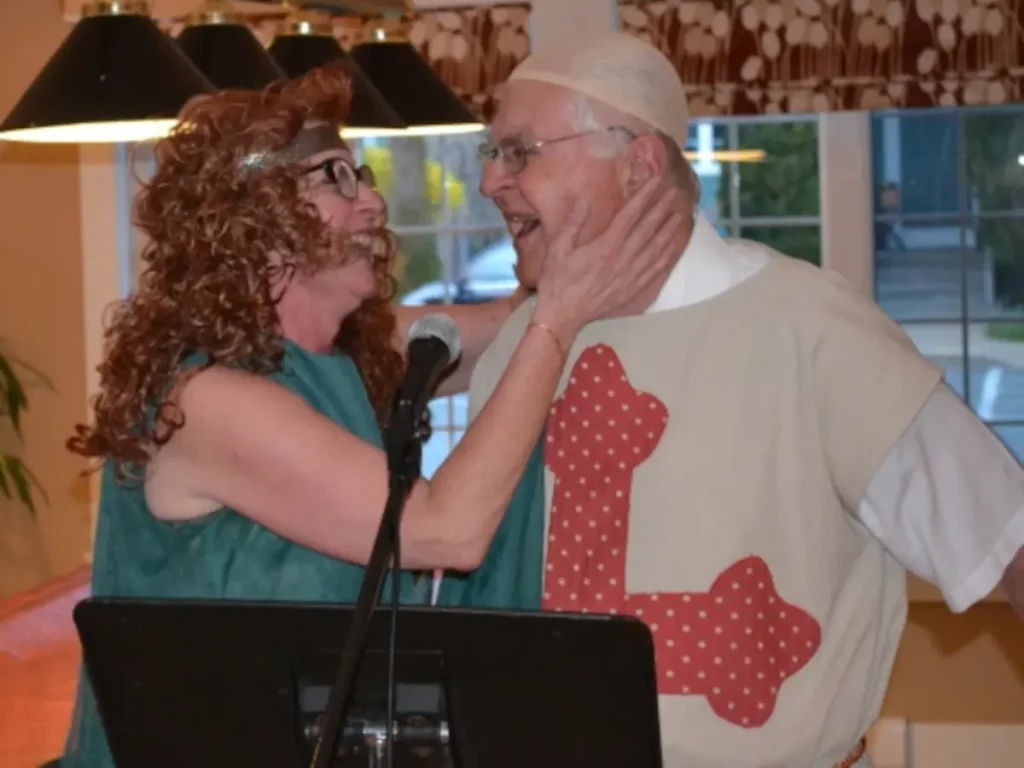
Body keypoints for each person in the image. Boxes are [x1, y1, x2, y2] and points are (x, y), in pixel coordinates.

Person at [58, 65, 681, 766]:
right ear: (252, 220)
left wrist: (583, 243)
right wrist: (558, 319)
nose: (374, 205)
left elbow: (516, 331)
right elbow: (446, 532)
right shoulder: (210, 401)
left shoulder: (357, 354)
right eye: (335, 179)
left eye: (364, 175)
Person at [457, 32, 1024, 768]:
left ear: (638, 165)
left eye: (520, 152)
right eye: (491, 154)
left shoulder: (810, 331)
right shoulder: (515, 355)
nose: (490, 183)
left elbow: (1007, 543)